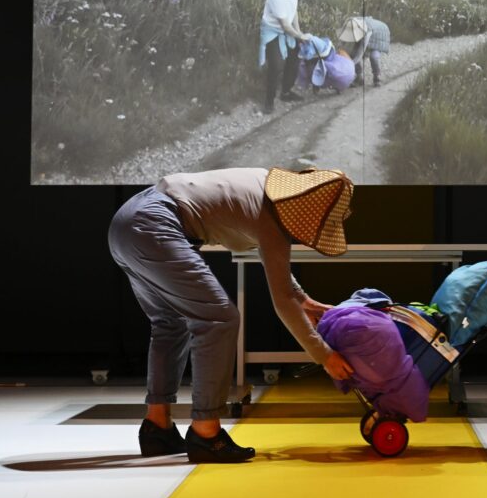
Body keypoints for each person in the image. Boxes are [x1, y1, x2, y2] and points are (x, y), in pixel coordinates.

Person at [108, 167, 356, 463]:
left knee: (169, 324)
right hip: (155, 225)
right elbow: (282, 301)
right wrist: (325, 356)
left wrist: (303, 300)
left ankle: (157, 429)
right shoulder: (272, 220)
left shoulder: (262, 186)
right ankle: (206, 434)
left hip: (127, 221)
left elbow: (284, 284)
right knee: (219, 319)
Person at [259, 0, 313, 113]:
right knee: (276, 66)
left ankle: (286, 92)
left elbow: (294, 12)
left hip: (286, 29)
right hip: (272, 31)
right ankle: (268, 102)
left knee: (295, 58)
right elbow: (284, 26)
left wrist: (299, 32)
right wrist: (300, 36)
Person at [337, 16, 390, 87]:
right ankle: (359, 78)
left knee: (374, 57)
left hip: (377, 40)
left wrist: (350, 64)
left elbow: (360, 53)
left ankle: (377, 76)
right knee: (352, 54)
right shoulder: (355, 26)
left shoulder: (367, 31)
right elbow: (343, 44)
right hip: (364, 35)